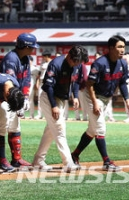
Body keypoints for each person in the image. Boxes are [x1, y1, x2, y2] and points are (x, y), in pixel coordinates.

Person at [71, 35, 129, 172]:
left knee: (92, 130)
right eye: (119, 47)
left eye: (123, 47)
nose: (122, 50)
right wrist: (94, 103)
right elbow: (89, 84)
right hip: (91, 96)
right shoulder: (100, 63)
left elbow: (122, 83)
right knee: (100, 128)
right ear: (111, 48)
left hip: (105, 98)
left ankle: (74, 155)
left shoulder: (122, 63)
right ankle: (106, 162)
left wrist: (127, 100)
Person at [32, 45, 88, 173]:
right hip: (49, 98)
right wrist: (53, 106)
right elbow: (49, 87)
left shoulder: (77, 64)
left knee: (51, 131)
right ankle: (68, 162)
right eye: (75, 61)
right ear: (69, 56)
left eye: (79, 63)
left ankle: (38, 161)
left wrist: (75, 96)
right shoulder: (56, 64)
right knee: (59, 129)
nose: (77, 65)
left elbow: (76, 81)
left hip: (62, 99)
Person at [0, 33, 38, 169]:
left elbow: (25, 79)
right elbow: (10, 83)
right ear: (25, 46)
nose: (33, 50)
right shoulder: (11, 59)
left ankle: (16, 159)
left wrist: (24, 97)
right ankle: (3, 161)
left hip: (15, 97)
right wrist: (17, 101)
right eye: (31, 47)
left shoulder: (25, 59)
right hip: (2, 97)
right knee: (2, 128)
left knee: (15, 127)